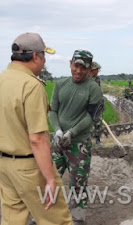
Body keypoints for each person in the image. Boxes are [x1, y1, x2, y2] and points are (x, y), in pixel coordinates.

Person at [0, 33, 73, 225]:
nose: (45, 60)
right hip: (30, 168)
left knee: (12, 219)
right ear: (35, 56)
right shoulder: (31, 86)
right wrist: (49, 179)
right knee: (56, 219)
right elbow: (37, 139)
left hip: (5, 166)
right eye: (44, 55)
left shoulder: (2, 80)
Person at [49, 49, 103, 223]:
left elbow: (91, 117)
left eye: (83, 68)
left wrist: (72, 132)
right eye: (76, 66)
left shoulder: (93, 89)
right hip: (58, 142)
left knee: (78, 182)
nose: (78, 71)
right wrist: (57, 129)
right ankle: (43, 212)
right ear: (70, 64)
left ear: (89, 69)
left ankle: (77, 217)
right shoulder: (60, 85)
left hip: (79, 144)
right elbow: (53, 111)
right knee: (50, 177)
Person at [89, 61, 105, 146]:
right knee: (87, 123)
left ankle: (97, 140)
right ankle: (87, 141)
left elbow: (99, 91)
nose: (98, 71)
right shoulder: (86, 79)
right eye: (97, 69)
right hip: (89, 105)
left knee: (98, 123)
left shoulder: (97, 79)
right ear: (92, 69)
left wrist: (102, 104)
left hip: (98, 105)